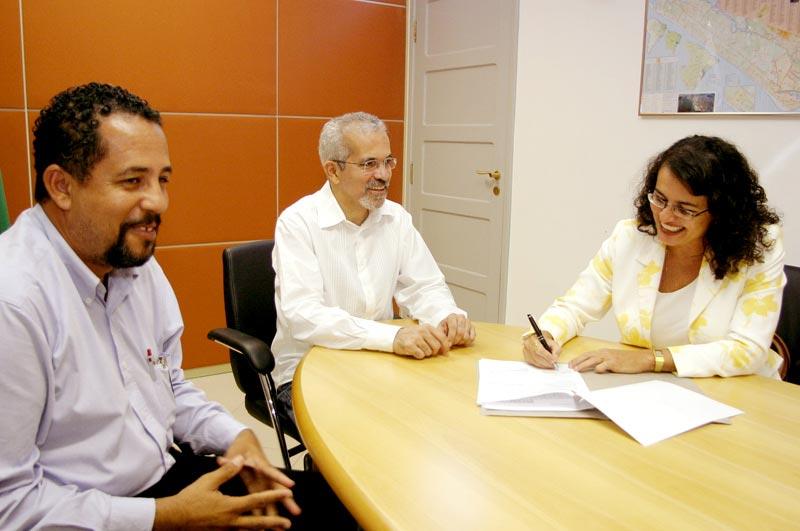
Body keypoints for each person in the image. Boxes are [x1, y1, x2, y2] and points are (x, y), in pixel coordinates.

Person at [0, 83, 355, 530]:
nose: (158, 202)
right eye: (133, 181)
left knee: (345, 510)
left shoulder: (133, 263)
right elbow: (10, 505)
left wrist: (234, 436)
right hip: (91, 513)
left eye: (162, 180)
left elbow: (167, 388)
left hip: (165, 479)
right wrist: (165, 517)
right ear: (61, 186)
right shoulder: (14, 302)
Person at [272, 111, 475, 426]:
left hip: (381, 360)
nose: (383, 175)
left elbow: (424, 286)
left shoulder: (397, 219)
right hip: (309, 370)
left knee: (443, 412)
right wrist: (392, 338)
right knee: (367, 431)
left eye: (387, 162)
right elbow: (304, 316)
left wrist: (446, 316)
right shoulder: (298, 223)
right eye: (369, 164)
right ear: (333, 171)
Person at [523, 135, 785, 378]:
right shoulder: (630, 238)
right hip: (652, 389)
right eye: (660, 199)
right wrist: (544, 334)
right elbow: (575, 306)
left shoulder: (759, 250)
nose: (666, 217)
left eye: (685, 209)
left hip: (737, 390)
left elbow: (747, 349)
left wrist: (651, 360)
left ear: (720, 213)